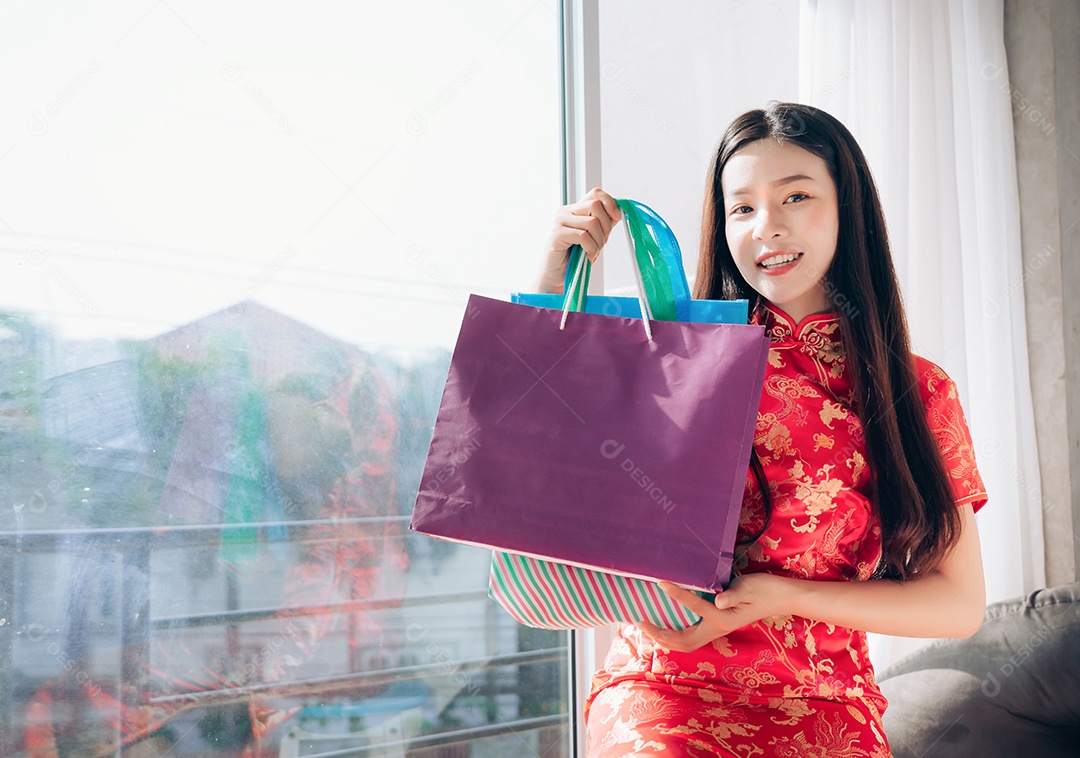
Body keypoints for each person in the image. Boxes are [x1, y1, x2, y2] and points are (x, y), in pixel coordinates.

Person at [538, 101, 988, 757]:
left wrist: (783, 596)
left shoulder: (917, 391)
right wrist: (556, 269)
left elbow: (956, 604)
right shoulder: (676, 351)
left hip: (825, 706)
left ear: (847, 210)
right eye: (741, 208)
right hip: (666, 693)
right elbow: (543, 437)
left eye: (796, 196)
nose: (766, 229)